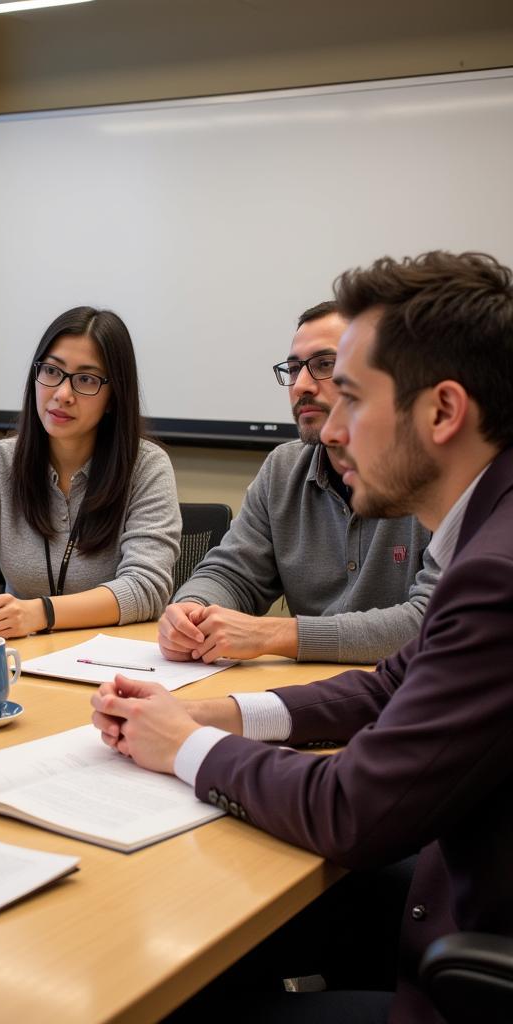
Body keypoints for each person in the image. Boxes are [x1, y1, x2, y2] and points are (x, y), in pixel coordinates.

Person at [91, 250, 513, 1023]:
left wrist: (182, 749)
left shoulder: (498, 573)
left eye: (349, 393)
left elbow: (350, 808)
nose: (333, 426)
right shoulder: (490, 530)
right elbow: (392, 684)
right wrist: (221, 715)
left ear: (443, 412)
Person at [160, 300, 439, 664]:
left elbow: (433, 621)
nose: (301, 385)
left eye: (324, 365)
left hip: (407, 694)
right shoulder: (283, 467)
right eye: (293, 369)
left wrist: (277, 634)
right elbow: (233, 574)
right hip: (305, 689)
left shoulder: (440, 475)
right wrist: (190, 611)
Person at [0, 306, 181, 637]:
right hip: (20, 659)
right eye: (52, 372)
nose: (62, 394)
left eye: (86, 379)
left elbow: (146, 588)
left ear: (114, 397)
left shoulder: (146, 467)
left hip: (112, 667)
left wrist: (40, 613)